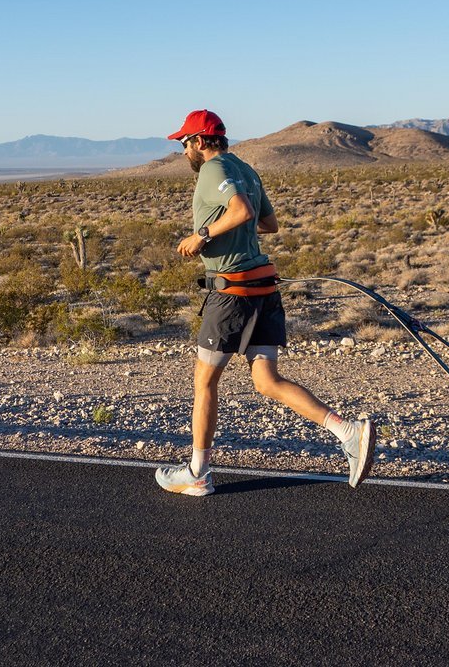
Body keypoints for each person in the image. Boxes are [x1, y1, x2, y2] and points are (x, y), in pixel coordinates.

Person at [154, 109, 376, 496]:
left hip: (232, 294)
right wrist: (234, 225)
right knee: (266, 380)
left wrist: (203, 235)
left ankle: (198, 472)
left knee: (205, 382)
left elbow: (242, 212)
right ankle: (347, 431)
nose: (184, 150)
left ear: (202, 140)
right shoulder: (247, 168)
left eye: (185, 142)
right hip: (263, 289)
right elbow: (267, 223)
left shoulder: (213, 169)